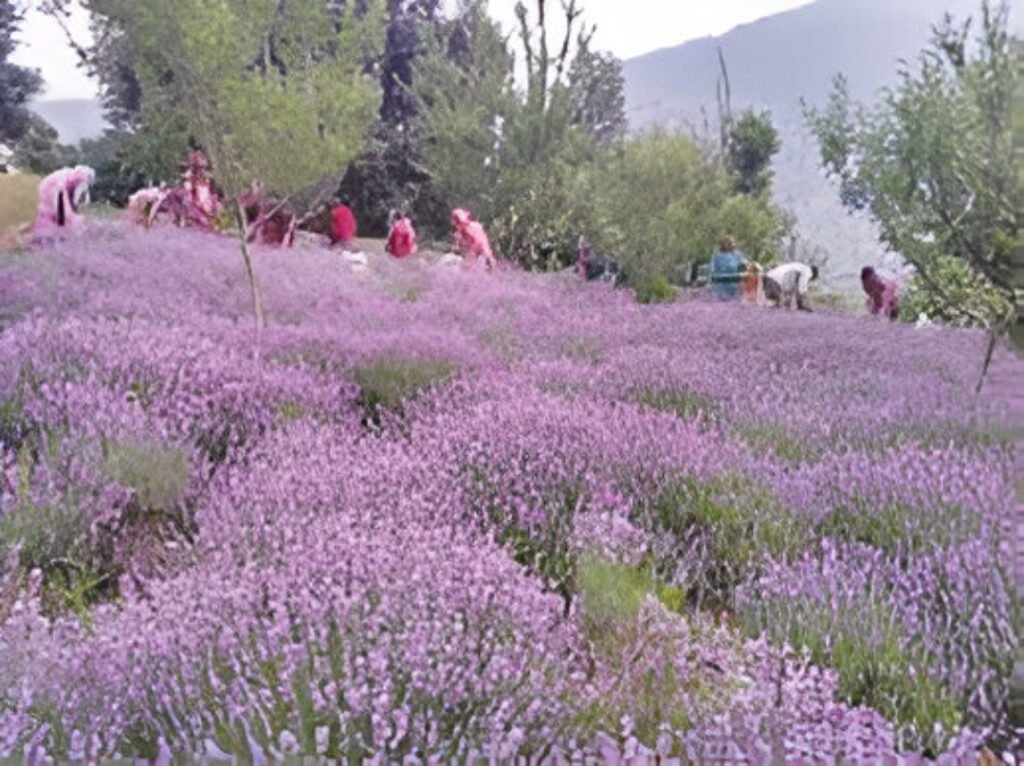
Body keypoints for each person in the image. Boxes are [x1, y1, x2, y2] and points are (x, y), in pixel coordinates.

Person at [709, 235, 747, 301]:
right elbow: (712, 270)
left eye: (733, 243)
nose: (733, 245)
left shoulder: (737, 255)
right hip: (724, 283)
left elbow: (745, 264)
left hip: (731, 282)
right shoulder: (716, 256)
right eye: (731, 243)